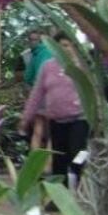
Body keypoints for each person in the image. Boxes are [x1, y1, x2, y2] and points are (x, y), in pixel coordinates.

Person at [20, 32, 90, 182]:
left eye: (66, 46)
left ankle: (80, 193)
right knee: (59, 160)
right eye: (60, 46)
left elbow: (93, 91)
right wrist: (26, 118)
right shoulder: (48, 67)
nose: (63, 49)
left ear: (74, 47)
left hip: (79, 119)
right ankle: (59, 198)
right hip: (56, 120)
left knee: (77, 155)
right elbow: (36, 93)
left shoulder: (82, 67)